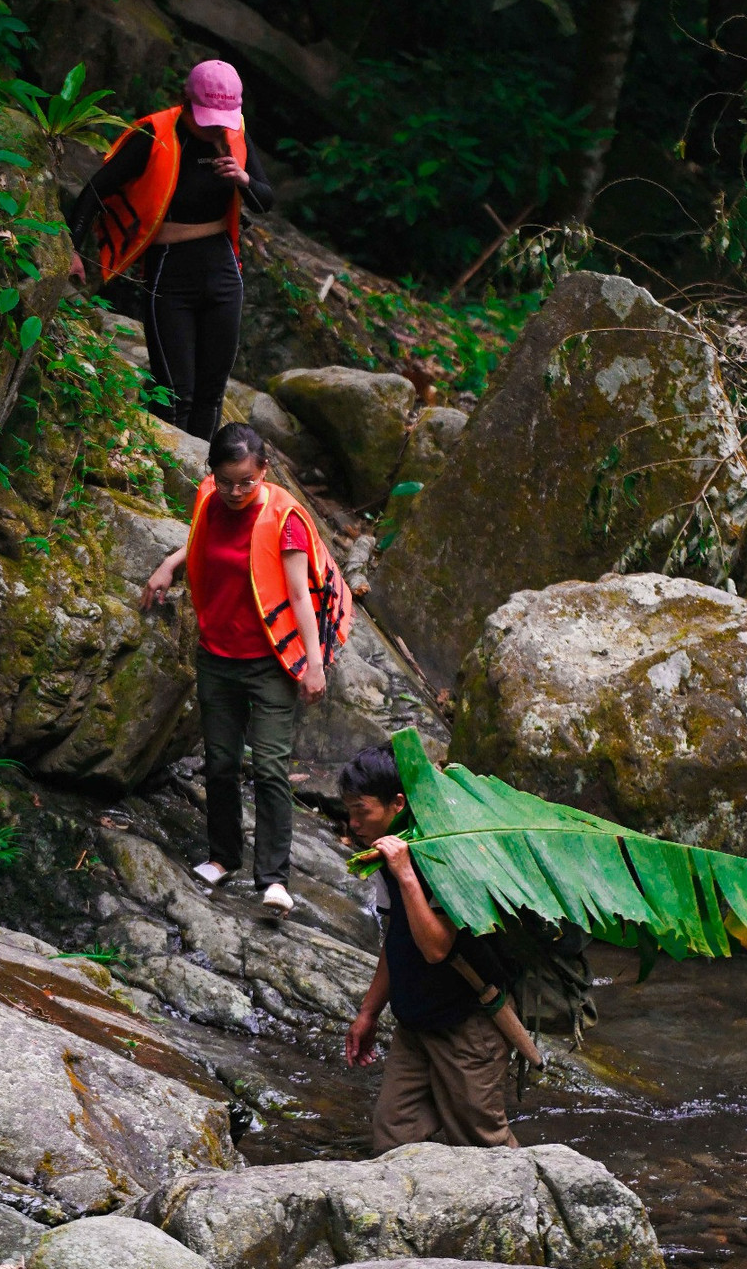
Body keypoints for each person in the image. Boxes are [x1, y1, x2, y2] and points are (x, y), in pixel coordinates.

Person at [141, 423, 352, 918]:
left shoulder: (285, 520)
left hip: (270, 663)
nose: (236, 492)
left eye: (246, 482)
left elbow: (298, 594)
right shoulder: (209, 497)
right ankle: (222, 857)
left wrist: (314, 665)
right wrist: (170, 564)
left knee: (272, 767)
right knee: (220, 761)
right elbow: (199, 540)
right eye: (226, 481)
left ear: (265, 471)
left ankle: (274, 880)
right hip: (217, 655)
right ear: (212, 473)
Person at [340, 742, 543, 1151]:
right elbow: (397, 938)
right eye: (349, 811)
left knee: (482, 1141)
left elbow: (436, 948)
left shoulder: (445, 854)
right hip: (416, 1023)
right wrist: (368, 1013)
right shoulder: (387, 853)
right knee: (394, 1137)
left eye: (362, 811)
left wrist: (407, 875)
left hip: (467, 1025)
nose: (353, 823)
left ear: (398, 803)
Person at [69, 59, 273, 444]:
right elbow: (96, 190)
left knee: (211, 393)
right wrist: (71, 248)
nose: (214, 128)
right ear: (186, 100)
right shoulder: (155, 134)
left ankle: (199, 471)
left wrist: (243, 179)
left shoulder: (235, 135)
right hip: (169, 273)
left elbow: (265, 200)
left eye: (221, 120)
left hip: (222, 273)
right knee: (177, 391)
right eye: (207, 118)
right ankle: (166, 467)